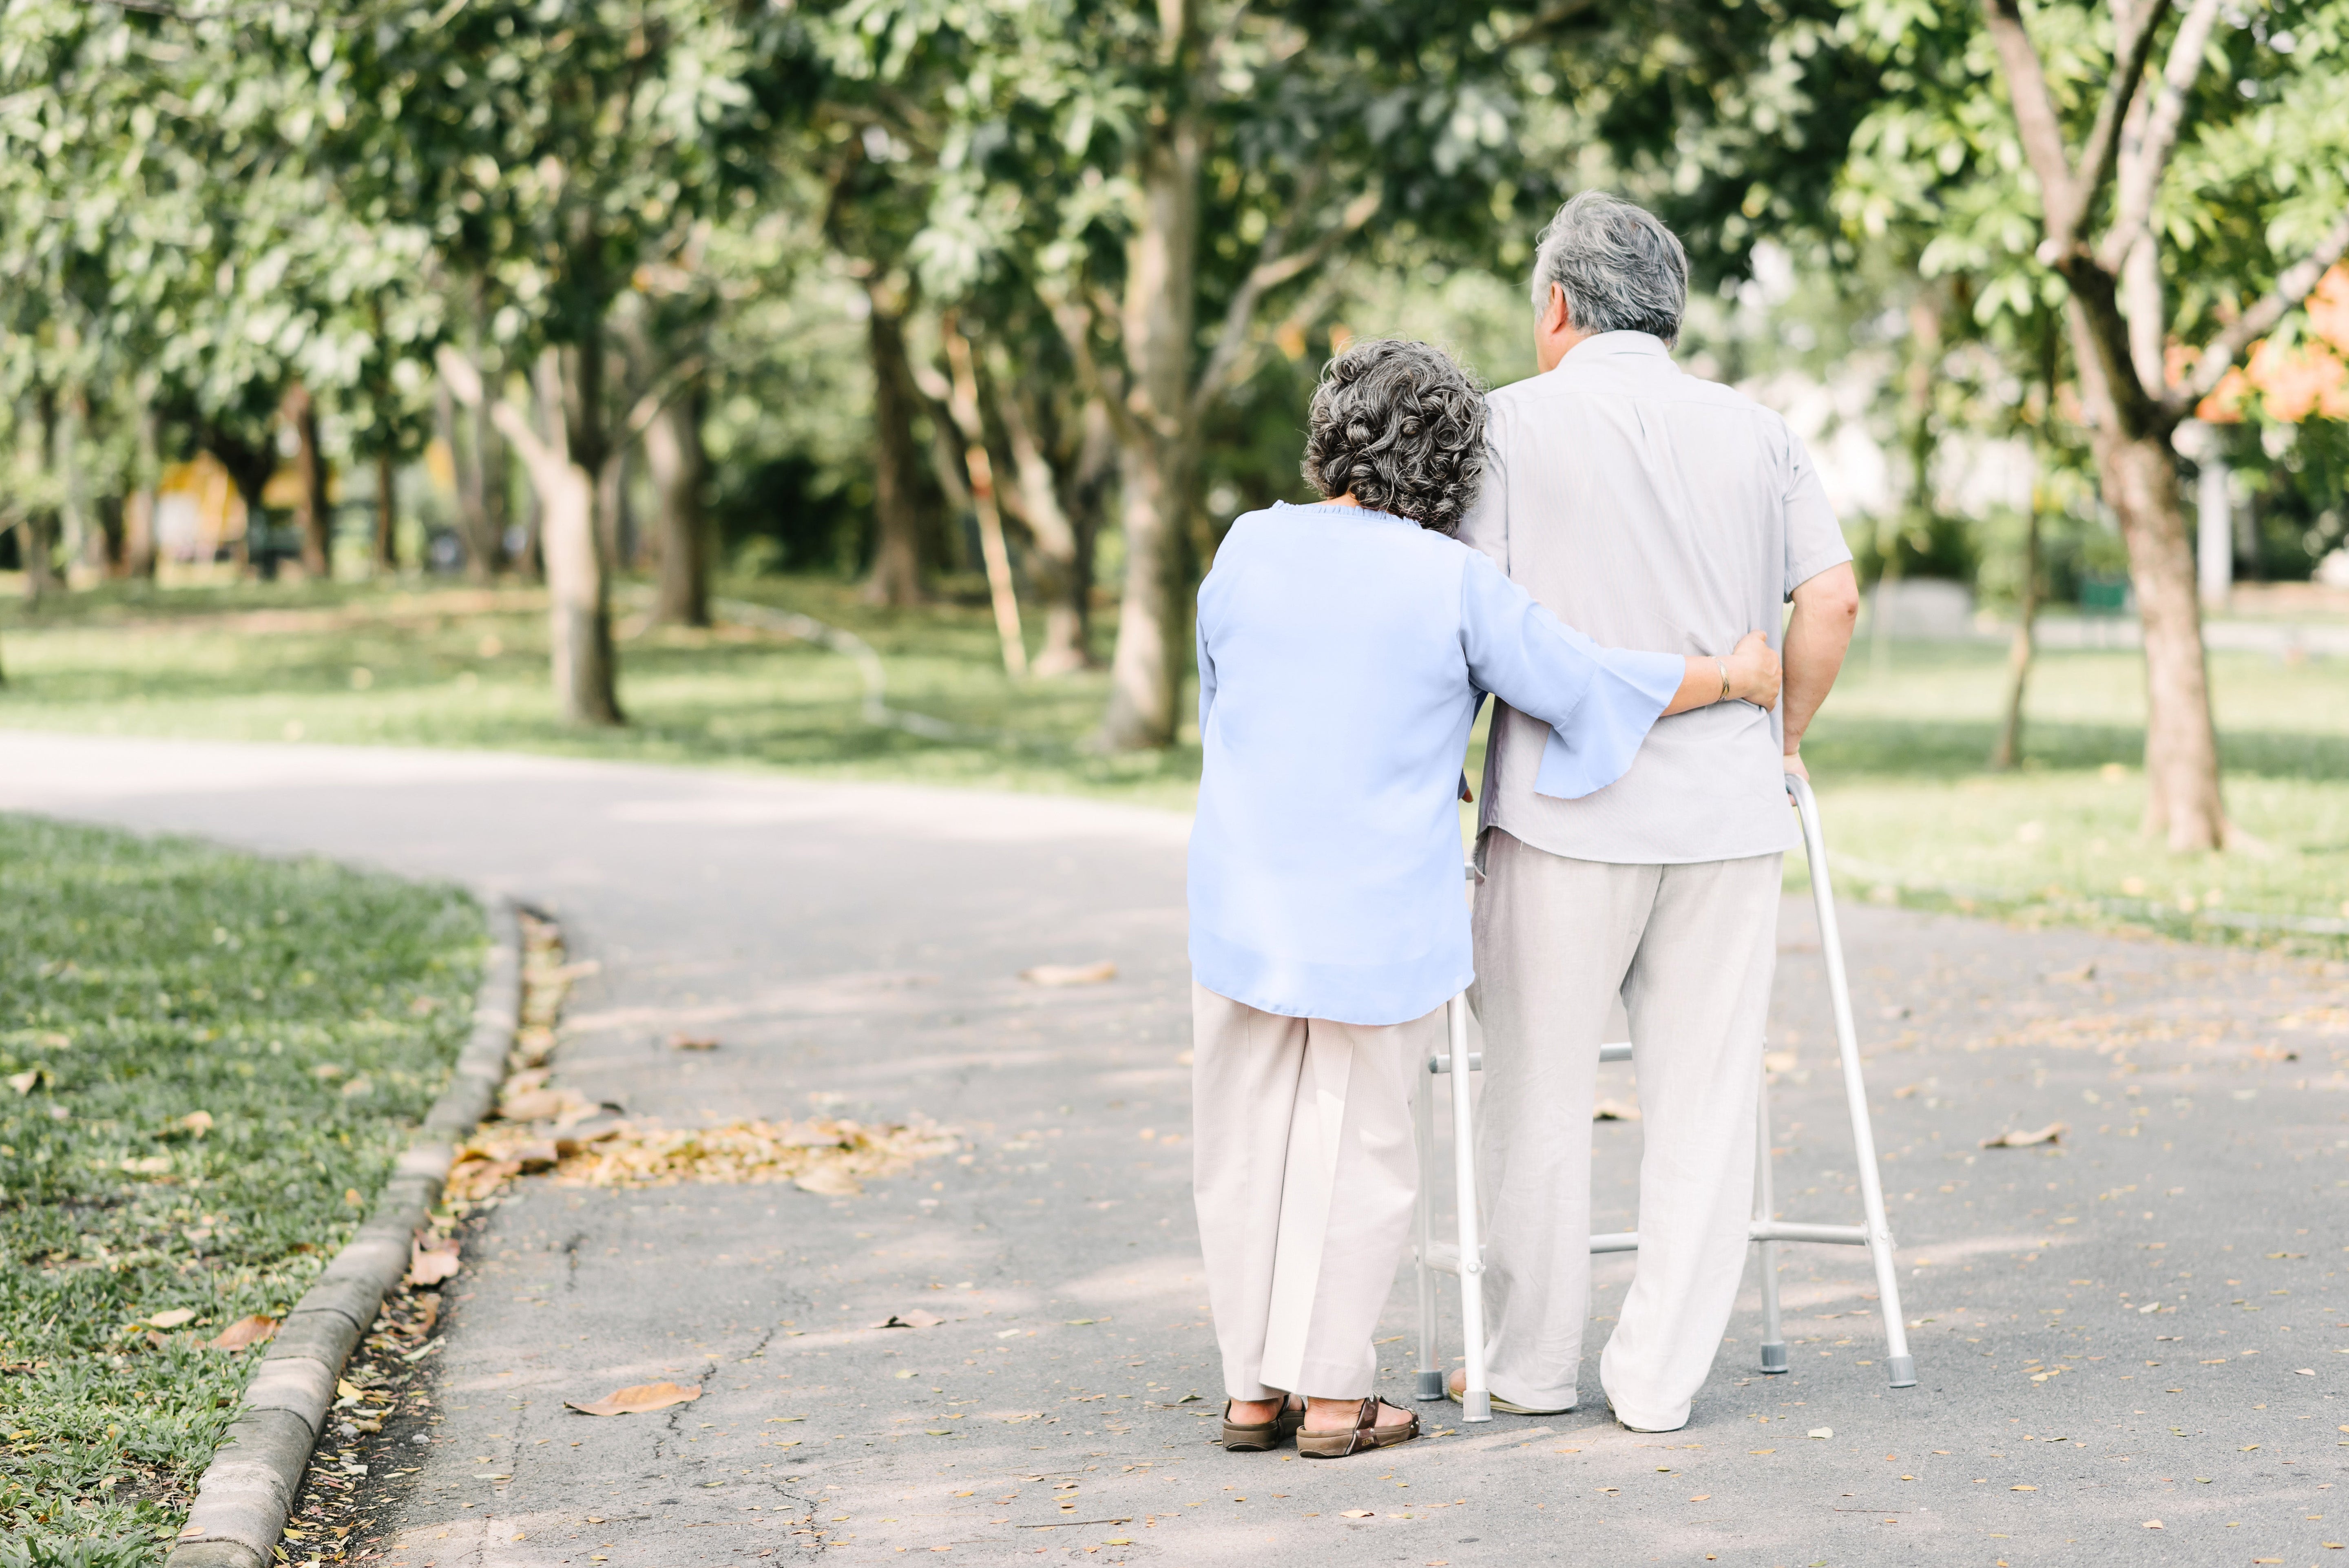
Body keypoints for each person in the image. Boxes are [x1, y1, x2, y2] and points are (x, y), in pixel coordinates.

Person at [1187, 338, 1783, 1460]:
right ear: (1453, 472)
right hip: (1378, 917)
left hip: (1245, 899)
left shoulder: (1246, 546)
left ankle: (1250, 1390)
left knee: (1244, 1136)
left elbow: (1228, 702)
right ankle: (1329, 1397)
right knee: (1359, 1143)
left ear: (1329, 443)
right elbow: (1582, 681)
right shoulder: (1451, 580)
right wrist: (1737, 678)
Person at [1451, 191, 1862, 1432]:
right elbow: (1831, 601)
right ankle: (1659, 1381)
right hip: (1728, 814)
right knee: (1705, 1099)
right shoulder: (1758, 430)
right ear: (1670, 311)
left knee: (1535, 1094)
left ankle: (1527, 1369)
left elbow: (1468, 618)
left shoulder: (1507, 428)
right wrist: (1780, 737)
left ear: (1559, 307)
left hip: (1563, 819)